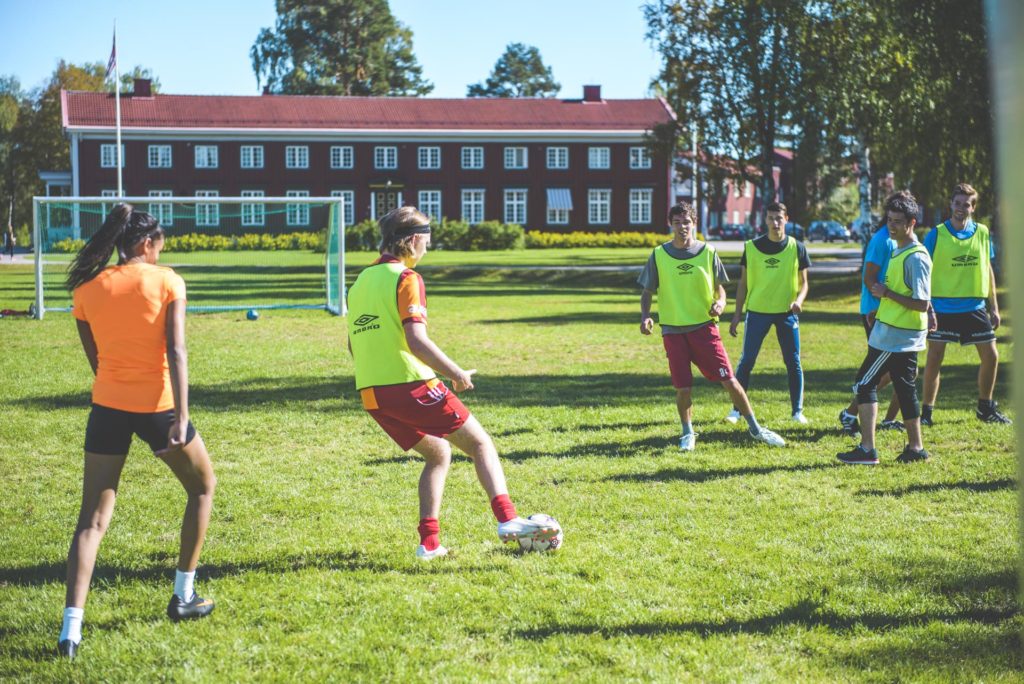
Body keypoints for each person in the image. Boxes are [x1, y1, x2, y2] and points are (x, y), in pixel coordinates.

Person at [347, 206, 559, 561]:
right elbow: (416, 340)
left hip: (372, 394)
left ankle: (429, 544)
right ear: (413, 239)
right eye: (427, 242)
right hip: (410, 385)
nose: (427, 250)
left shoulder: (361, 282)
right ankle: (507, 520)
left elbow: (353, 344)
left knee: (438, 452)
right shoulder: (406, 278)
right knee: (480, 444)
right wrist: (456, 373)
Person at [59, 204, 216, 659]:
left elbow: (96, 358)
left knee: (92, 520)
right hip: (159, 408)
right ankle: (183, 596)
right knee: (203, 487)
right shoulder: (168, 280)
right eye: (160, 243)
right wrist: (182, 417)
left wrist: (114, 388)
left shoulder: (88, 287)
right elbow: (178, 351)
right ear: (147, 244)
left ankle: (71, 631)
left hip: (107, 407)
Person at [639, 202, 785, 451]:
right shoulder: (659, 255)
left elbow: (721, 290)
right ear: (670, 224)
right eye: (677, 223)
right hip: (673, 330)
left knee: (729, 379)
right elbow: (647, 290)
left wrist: (720, 302)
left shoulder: (708, 252)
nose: (682, 227)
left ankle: (756, 428)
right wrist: (645, 316)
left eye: (686, 222)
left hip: (704, 328)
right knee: (683, 387)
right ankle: (687, 433)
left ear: (694, 223)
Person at [838, 191, 933, 465]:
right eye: (890, 220)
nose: (891, 226)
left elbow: (921, 303)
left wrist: (887, 296)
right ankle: (916, 449)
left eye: (898, 221)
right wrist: (878, 310)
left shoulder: (916, 257)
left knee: (864, 383)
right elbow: (896, 293)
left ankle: (867, 450)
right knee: (905, 389)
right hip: (893, 330)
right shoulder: (898, 248)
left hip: (896, 337)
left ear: (912, 223)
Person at [920, 183, 1011, 424]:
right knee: (934, 359)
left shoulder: (982, 232)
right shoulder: (936, 233)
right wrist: (928, 307)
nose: (961, 208)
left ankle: (985, 408)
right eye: (957, 203)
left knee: (991, 356)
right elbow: (922, 270)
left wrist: (994, 306)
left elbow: (988, 269)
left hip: (974, 307)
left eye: (967, 204)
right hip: (943, 308)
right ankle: (926, 413)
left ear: (973, 207)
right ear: (951, 204)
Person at [727, 202, 810, 424]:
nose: (775, 222)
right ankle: (736, 410)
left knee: (793, 362)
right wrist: (736, 314)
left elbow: (804, 284)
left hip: (786, 313)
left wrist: (799, 301)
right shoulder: (751, 247)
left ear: (786, 219)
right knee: (747, 361)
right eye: (771, 218)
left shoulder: (797, 247)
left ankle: (797, 412)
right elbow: (743, 284)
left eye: (779, 218)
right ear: (765, 220)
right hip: (757, 312)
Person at [837, 209, 904, 435]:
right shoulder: (881, 240)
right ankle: (850, 414)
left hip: (897, 313)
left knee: (901, 372)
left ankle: (884, 419)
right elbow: (869, 278)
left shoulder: (900, 239)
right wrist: (880, 308)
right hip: (876, 313)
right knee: (882, 370)